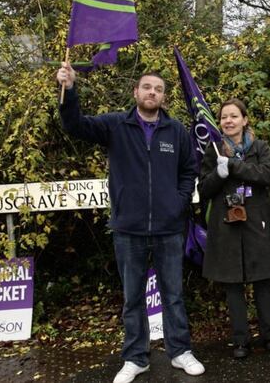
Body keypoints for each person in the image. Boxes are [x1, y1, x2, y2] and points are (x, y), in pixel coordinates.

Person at [57, 64, 204, 383]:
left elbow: (189, 170)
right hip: (128, 230)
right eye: (147, 87)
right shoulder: (115, 125)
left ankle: (179, 351)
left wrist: (177, 203)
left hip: (168, 229)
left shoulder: (176, 130)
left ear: (164, 97)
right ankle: (136, 358)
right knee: (133, 297)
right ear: (136, 92)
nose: (153, 92)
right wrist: (69, 90)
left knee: (173, 294)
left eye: (159, 89)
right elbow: (75, 125)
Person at [198, 99, 270, 359]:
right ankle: (240, 340)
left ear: (245, 120)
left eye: (234, 116)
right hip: (226, 225)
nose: (228, 121)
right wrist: (218, 174)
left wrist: (235, 166)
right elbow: (203, 189)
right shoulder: (212, 151)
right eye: (224, 117)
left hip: (257, 223)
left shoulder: (259, 147)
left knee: (263, 282)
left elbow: (267, 175)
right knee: (233, 285)